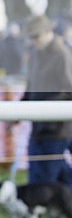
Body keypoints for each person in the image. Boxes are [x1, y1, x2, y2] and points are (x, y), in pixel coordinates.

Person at [21, 15, 72, 185]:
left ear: (48, 32)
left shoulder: (62, 54)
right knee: (45, 173)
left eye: (36, 36)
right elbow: (31, 87)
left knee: (47, 178)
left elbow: (68, 90)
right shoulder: (36, 54)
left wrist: (46, 106)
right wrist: (17, 110)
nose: (34, 41)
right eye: (32, 37)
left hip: (57, 127)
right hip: (38, 125)